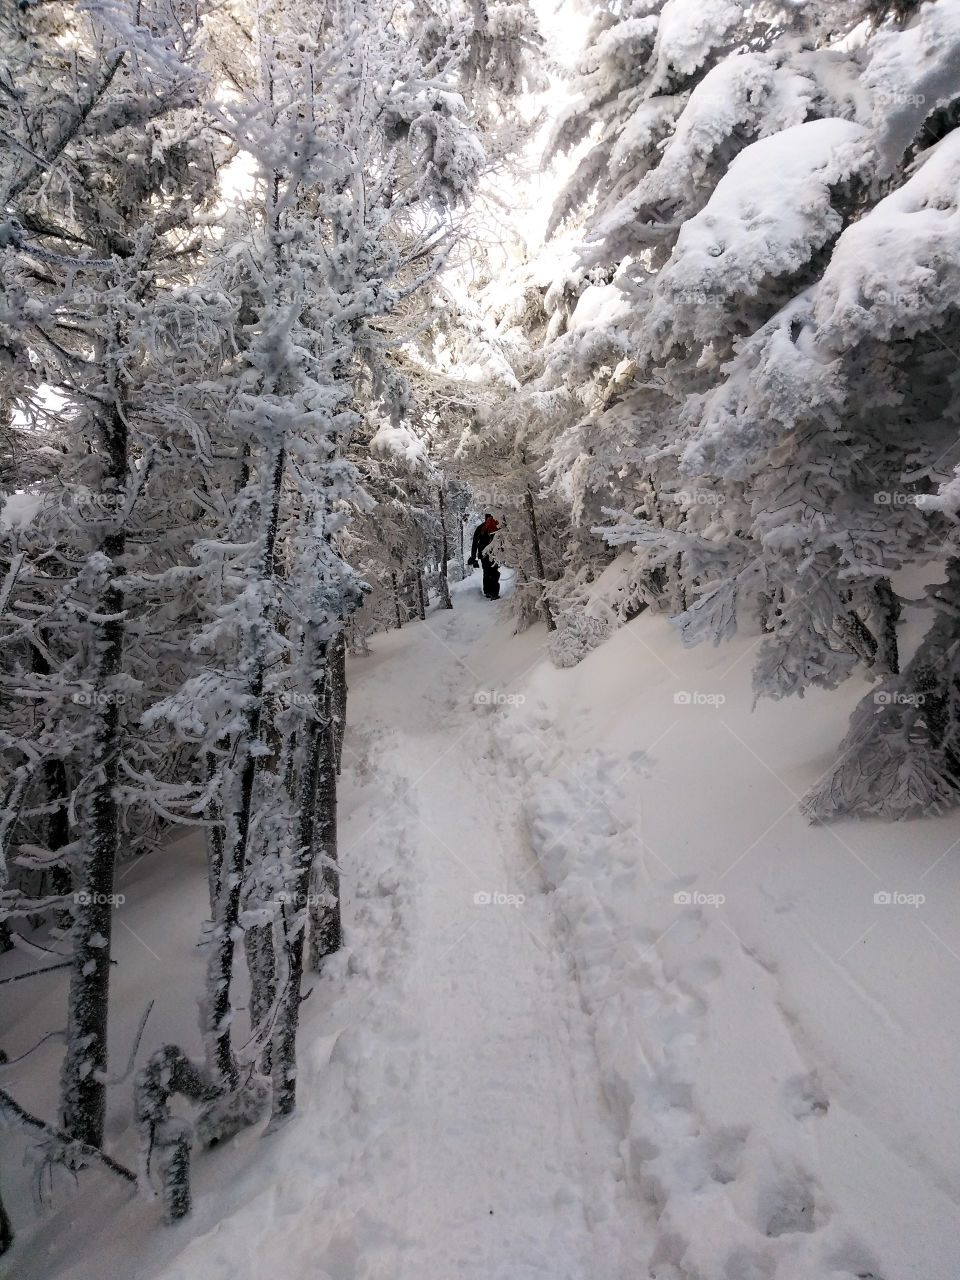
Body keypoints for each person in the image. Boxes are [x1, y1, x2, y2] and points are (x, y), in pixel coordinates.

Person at [468, 513, 501, 600]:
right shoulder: (497, 526)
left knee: (486, 572)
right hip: (495, 553)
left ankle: (487, 592)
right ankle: (495, 593)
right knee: (494, 571)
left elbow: (474, 543)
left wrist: (473, 557)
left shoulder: (481, 528)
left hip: (483, 554)